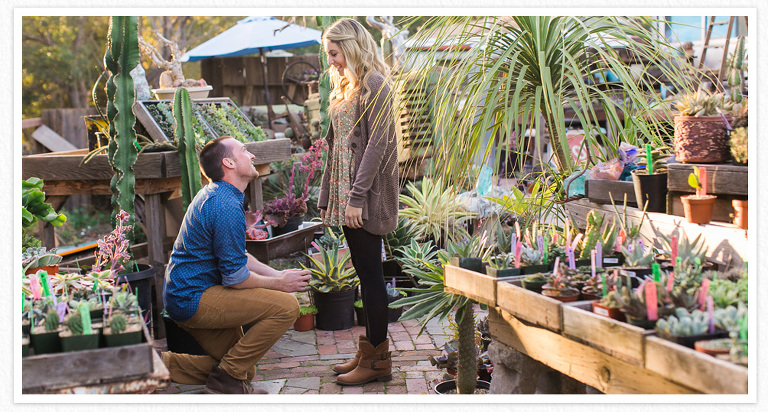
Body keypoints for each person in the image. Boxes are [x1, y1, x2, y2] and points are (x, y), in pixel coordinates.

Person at [162, 136, 311, 394]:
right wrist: (279, 284)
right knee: (287, 306)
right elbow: (235, 277)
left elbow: (238, 257)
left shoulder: (219, 195)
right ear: (228, 162)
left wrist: (278, 273)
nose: (252, 155)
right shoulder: (224, 204)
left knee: (243, 368)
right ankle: (226, 380)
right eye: (244, 150)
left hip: (187, 294)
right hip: (193, 297)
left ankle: (161, 365)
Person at [318, 18, 400, 386]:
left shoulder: (376, 85)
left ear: (351, 47)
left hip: (363, 198)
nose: (331, 61)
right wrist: (327, 196)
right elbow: (336, 148)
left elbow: (377, 147)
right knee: (365, 276)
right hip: (346, 195)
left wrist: (355, 199)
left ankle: (378, 361)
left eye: (334, 53)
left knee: (371, 277)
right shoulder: (347, 85)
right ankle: (369, 350)